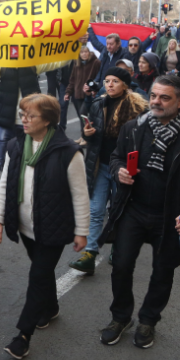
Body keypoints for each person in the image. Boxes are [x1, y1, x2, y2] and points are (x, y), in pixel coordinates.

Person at [100, 74, 180, 349]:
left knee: (163, 271)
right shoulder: (133, 128)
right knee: (120, 265)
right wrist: (119, 170)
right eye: (154, 95)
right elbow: (116, 157)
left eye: (165, 97)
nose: (156, 101)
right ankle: (120, 317)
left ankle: (148, 320)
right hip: (133, 209)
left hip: (172, 217)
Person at [0, 93, 89, 359]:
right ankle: (51, 307)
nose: (24, 119)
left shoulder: (69, 152)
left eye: (30, 115)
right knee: (43, 273)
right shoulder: (16, 145)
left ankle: (23, 335)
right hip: (25, 228)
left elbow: (80, 195)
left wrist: (82, 231)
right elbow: (4, 185)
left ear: (47, 120)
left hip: (53, 229)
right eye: (23, 114)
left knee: (37, 275)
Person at [69, 67, 147, 274]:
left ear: (125, 85)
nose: (109, 85)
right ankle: (90, 254)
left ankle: (117, 248)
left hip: (123, 168)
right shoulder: (98, 103)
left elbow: (144, 141)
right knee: (95, 211)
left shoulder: (138, 108)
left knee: (118, 211)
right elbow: (89, 138)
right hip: (100, 165)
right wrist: (87, 133)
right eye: (107, 81)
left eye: (115, 81)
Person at [64, 45, 101, 127]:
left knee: (84, 113)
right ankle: (83, 135)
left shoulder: (95, 62)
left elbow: (99, 77)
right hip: (78, 94)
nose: (84, 54)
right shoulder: (77, 64)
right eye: (82, 52)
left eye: (86, 52)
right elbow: (72, 80)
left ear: (89, 53)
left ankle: (88, 135)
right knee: (81, 116)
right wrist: (68, 93)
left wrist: (94, 89)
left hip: (89, 94)